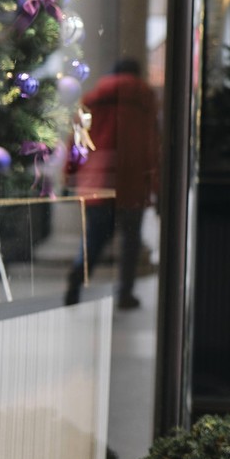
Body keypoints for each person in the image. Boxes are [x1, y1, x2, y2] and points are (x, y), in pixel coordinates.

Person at [64, 58, 160, 309]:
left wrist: (69, 176)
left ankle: (77, 277)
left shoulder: (92, 100)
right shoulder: (145, 102)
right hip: (133, 181)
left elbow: (75, 142)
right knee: (131, 243)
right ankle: (125, 294)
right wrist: (157, 185)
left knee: (94, 239)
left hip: (98, 181)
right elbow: (154, 147)